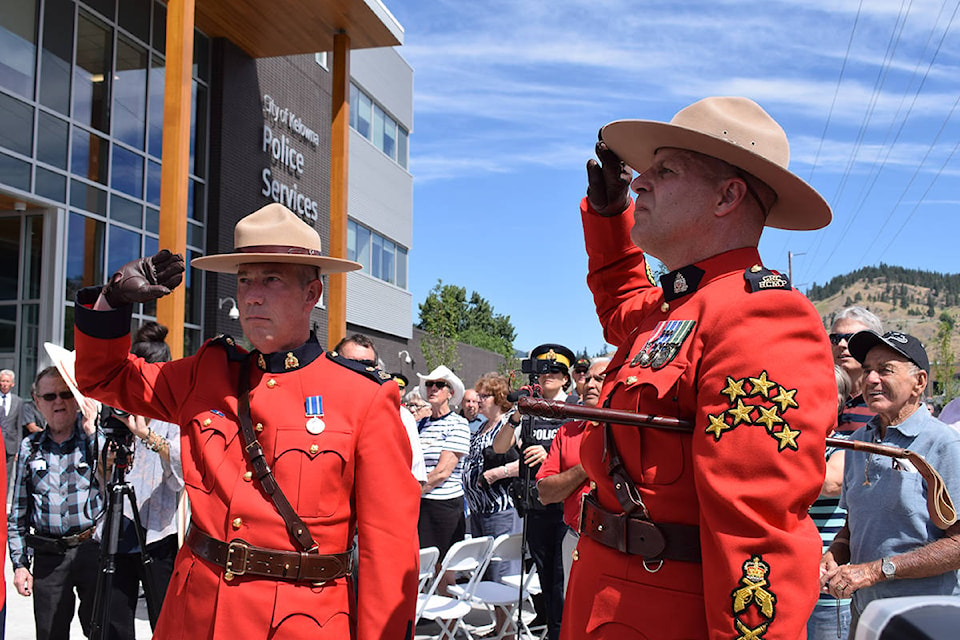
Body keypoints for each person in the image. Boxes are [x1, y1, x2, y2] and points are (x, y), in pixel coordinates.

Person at [72, 203, 420, 639]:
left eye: (271, 279)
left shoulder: (364, 397)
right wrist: (113, 300)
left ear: (312, 294)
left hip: (300, 623)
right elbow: (102, 377)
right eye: (243, 280)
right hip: (195, 615)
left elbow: (387, 552)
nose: (252, 295)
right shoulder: (207, 372)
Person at [563, 96, 837, 639]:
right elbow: (623, 305)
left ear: (727, 196)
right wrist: (610, 214)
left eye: (664, 171)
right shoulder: (682, 305)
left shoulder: (761, 314)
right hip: (606, 599)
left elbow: (757, 530)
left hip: (670, 614)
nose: (640, 183)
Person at [820, 331, 960, 636]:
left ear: (920, 382)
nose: (870, 379)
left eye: (885, 370)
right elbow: (853, 523)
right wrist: (836, 553)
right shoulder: (859, 443)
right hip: (867, 615)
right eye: (868, 369)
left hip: (924, 617)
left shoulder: (945, 444)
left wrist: (874, 571)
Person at [8, 366, 102, 640]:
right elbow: (17, 511)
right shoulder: (29, 447)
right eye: (49, 397)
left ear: (76, 398)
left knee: (102, 631)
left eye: (64, 394)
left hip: (90, 551)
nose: (58, 402)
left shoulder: (92, 439)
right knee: (50, 634)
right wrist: (20, 564)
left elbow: (115, 469)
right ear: (37, 402)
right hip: (49, 556)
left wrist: (92, 429)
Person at [105, 321, 184, 640]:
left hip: (158, 531)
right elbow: (100, 472)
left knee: (163, 619)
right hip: (116, 528)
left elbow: (182, 471)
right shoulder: (115, 411)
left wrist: (147, 435)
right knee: (115, 622)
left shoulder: (173, 414)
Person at [494, 342, 576, 640]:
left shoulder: (575, 408)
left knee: (564, 580)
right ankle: (554, 629)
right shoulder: (529, 410)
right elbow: (500, 447)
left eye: (555, 371)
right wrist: (515, 416)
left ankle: (561, 631)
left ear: (566, 377)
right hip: (537, 509)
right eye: (543, 372)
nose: (548, 376)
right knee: (546, 577)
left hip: (570, 510)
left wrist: (551, 455)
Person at [536, 357, 609, 592]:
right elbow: (545, 492)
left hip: (619, 545)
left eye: (600, 379)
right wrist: (587, 465)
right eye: (587, 379)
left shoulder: (634, 433)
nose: (589, 384)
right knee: (574, 614)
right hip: (575, 539)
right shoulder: (567, 432)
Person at [461, 373, 521, 637]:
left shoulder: (509, 425)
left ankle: (507, 631)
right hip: (479, 511)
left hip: (500, 509)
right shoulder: (482, 426)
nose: (479, 400)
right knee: (486, 570)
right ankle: (500, 626)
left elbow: (526, 463)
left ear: (498, 398)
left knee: (500, 570)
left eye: (484, 396)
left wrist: (498, 473)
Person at [335, 333, 426, 485]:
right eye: (349, 363)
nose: (358, 369)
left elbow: (416, 477)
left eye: (366, 364)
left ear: (376, 369)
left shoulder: (401, 416)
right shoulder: (320, 410)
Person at [806, 365, 854, 640]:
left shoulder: (846, 445)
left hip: (828, 590)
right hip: (789, 586)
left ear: (840, 400)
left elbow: (830, 483)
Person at [416, 365, 470, 574]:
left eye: (440, 385)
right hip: (420, 503)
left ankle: (446, 602)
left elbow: (442, 472)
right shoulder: (421, 424)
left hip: (443, 506)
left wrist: (409, 493)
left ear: (451, 393)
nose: (433, 388)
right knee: (420, 566)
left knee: (443, 570)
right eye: (429, 384)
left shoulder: (458, 424)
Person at [831, 306, 883, 435]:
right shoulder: (817, 395)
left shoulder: (886, 400)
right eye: (835, 339)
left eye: (851, 338)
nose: (842, 344)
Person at [1, 368, 23, 484]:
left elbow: (19, 426)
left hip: (10, 443)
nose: (4, 384)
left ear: (12, 384)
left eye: (7, 381)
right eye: (2, 381)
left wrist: (18, 448)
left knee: (7, 477)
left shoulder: (18, 401)